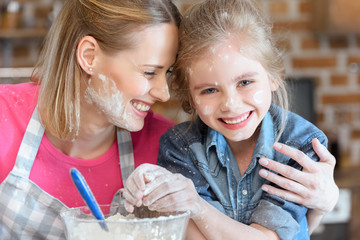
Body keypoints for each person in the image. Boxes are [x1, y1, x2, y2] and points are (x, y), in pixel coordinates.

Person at [123, 0, 339, 239]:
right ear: (190, 97)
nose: (230, 104)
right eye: (209, 90)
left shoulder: (300, 145)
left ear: (274, 77)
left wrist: (195, 205)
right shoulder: (179, 146)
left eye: (245, 82)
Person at [0, 0, 180, 238]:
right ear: (89, 56)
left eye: (167, 72)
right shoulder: (4, 116)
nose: (164, 93)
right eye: (149, 72)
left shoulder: (168, 147)